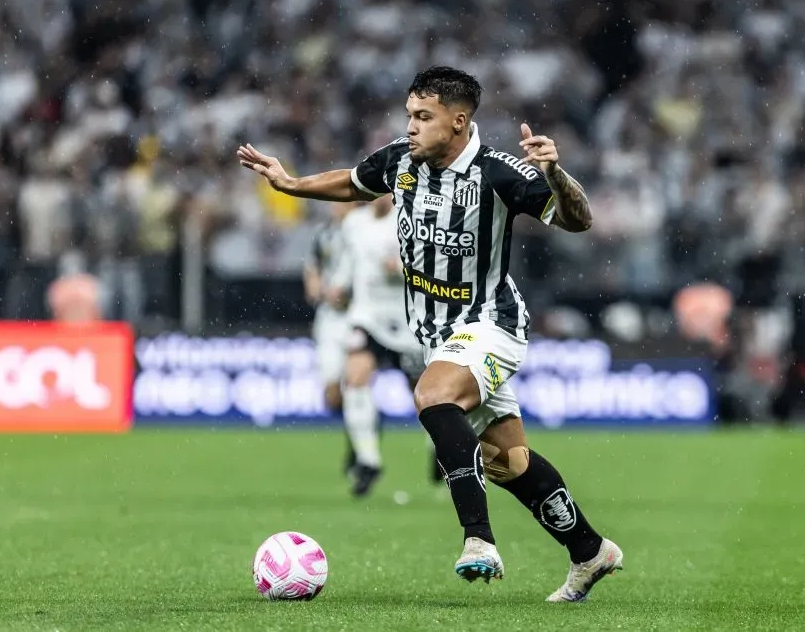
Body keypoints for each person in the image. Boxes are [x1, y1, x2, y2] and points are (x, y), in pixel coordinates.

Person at [237, 65, 622, 603]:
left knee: (433, 395)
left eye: (423, 116)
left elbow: (577, 219)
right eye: (409, 115)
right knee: (508, 462)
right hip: (436, 336)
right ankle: (590, 550)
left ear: (458, 121)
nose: (411, 126)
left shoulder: (499, 173)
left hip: (489, 323)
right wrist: (293, 183)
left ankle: (478, 539)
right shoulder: (401, 159)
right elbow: (353, 182)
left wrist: (556, 174)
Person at [332, 194, 434, 497]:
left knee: (425, 394)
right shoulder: (353, 222)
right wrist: (339, 284)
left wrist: (402, 268)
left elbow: (433, 265)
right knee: (354, 378)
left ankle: (437, 446)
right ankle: (368, 459)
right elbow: (350, 260)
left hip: (407, 321)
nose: (377, 195)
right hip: (367, 317)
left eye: (383, 189)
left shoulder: (413, 219)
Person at [303, 201, 359, 474]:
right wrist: (315, 288)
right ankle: (359, 428)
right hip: (329, 318)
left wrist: (349, 292)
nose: (336, 206)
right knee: (332, 394)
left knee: (355, 384)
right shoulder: (323, 233)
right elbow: (312, 267)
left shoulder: (364, 231)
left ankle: (361, 447)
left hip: (359, 316)